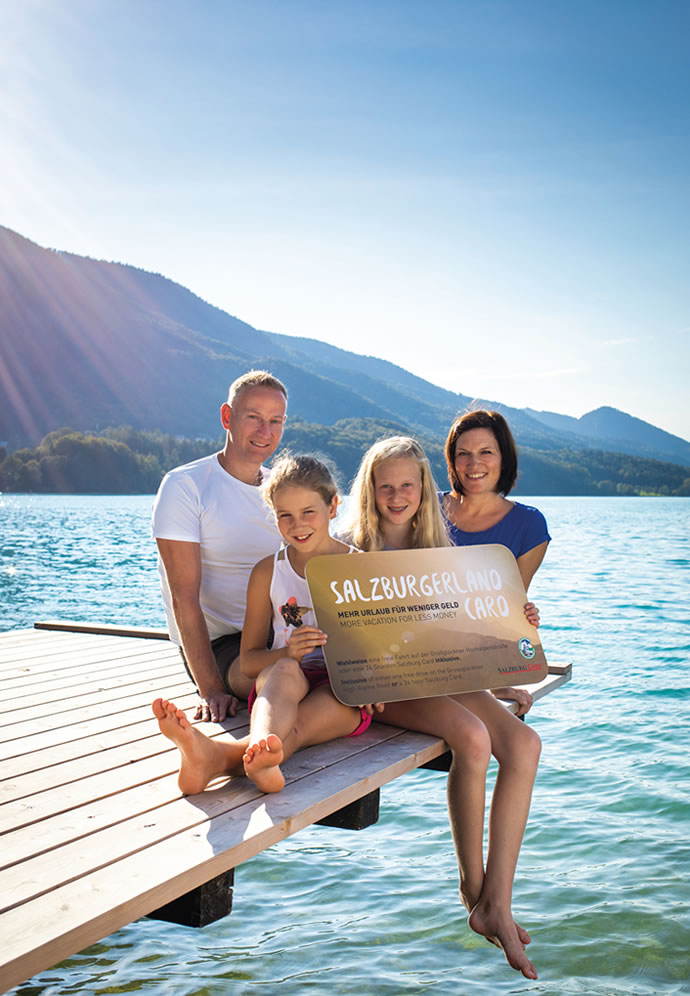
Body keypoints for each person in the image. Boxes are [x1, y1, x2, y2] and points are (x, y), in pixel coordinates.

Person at [343, 435, 542, 980]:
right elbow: (343, 642)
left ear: (424, 489)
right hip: (382, 685)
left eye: (409, 484)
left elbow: (462, 634)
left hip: (437, 672)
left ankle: (498, 898)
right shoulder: (348, 550)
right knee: (472, 738)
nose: (398, 494)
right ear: (370, 490)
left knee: (524, 743)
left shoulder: (442, 550)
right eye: (386, 485)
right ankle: (473, 889)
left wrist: (509, 653)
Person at [152, 453, 379, 796]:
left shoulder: (361, 568)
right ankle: (258, 753)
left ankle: (219, 757)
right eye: (284, 515)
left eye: (308, 513)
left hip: (342, 692)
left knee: (304, 726)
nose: (297, 525)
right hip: (283, 683)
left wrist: (373, 684)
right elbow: (249, 662)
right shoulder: (267, 572)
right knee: (285, 671)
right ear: (272, 516)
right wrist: (289, 651)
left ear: (333, 507)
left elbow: (383, 651)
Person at [152, 370, 288, 724]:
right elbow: (184, 598)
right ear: (227, 417)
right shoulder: (186, 486)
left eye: (275, 421)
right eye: (254, 418)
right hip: (221, 647)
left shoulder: (283, 490)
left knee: (349, 673)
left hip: (280, 634)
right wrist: (210, 689)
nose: (265, 432)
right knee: (289, 678)